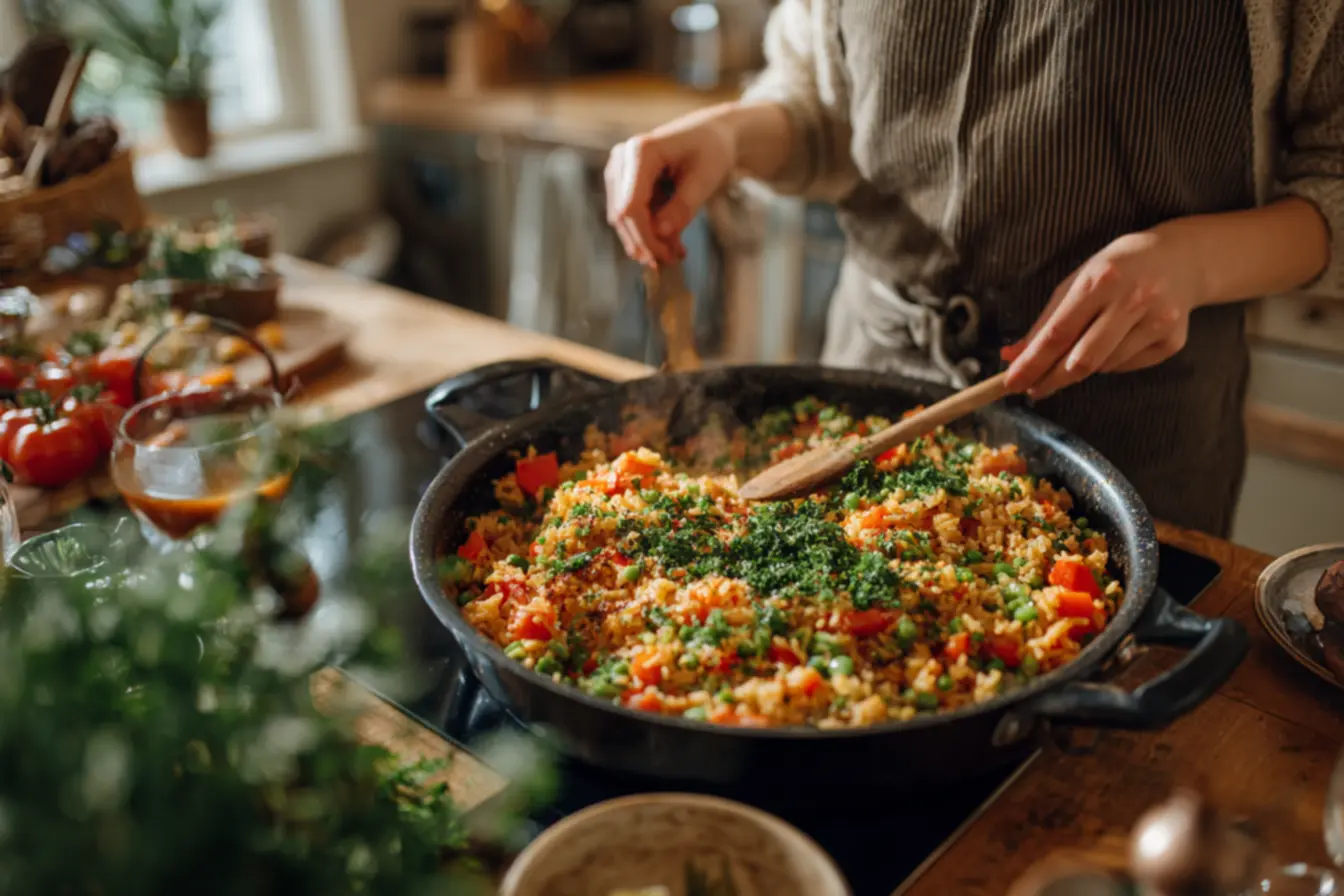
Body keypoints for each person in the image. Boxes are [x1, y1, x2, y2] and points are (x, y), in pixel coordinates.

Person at [603, 1, 1343, 537]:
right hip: (867, 386)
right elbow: (824, 107)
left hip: (1128, 430)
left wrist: (1195, 263)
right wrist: (730, 136)